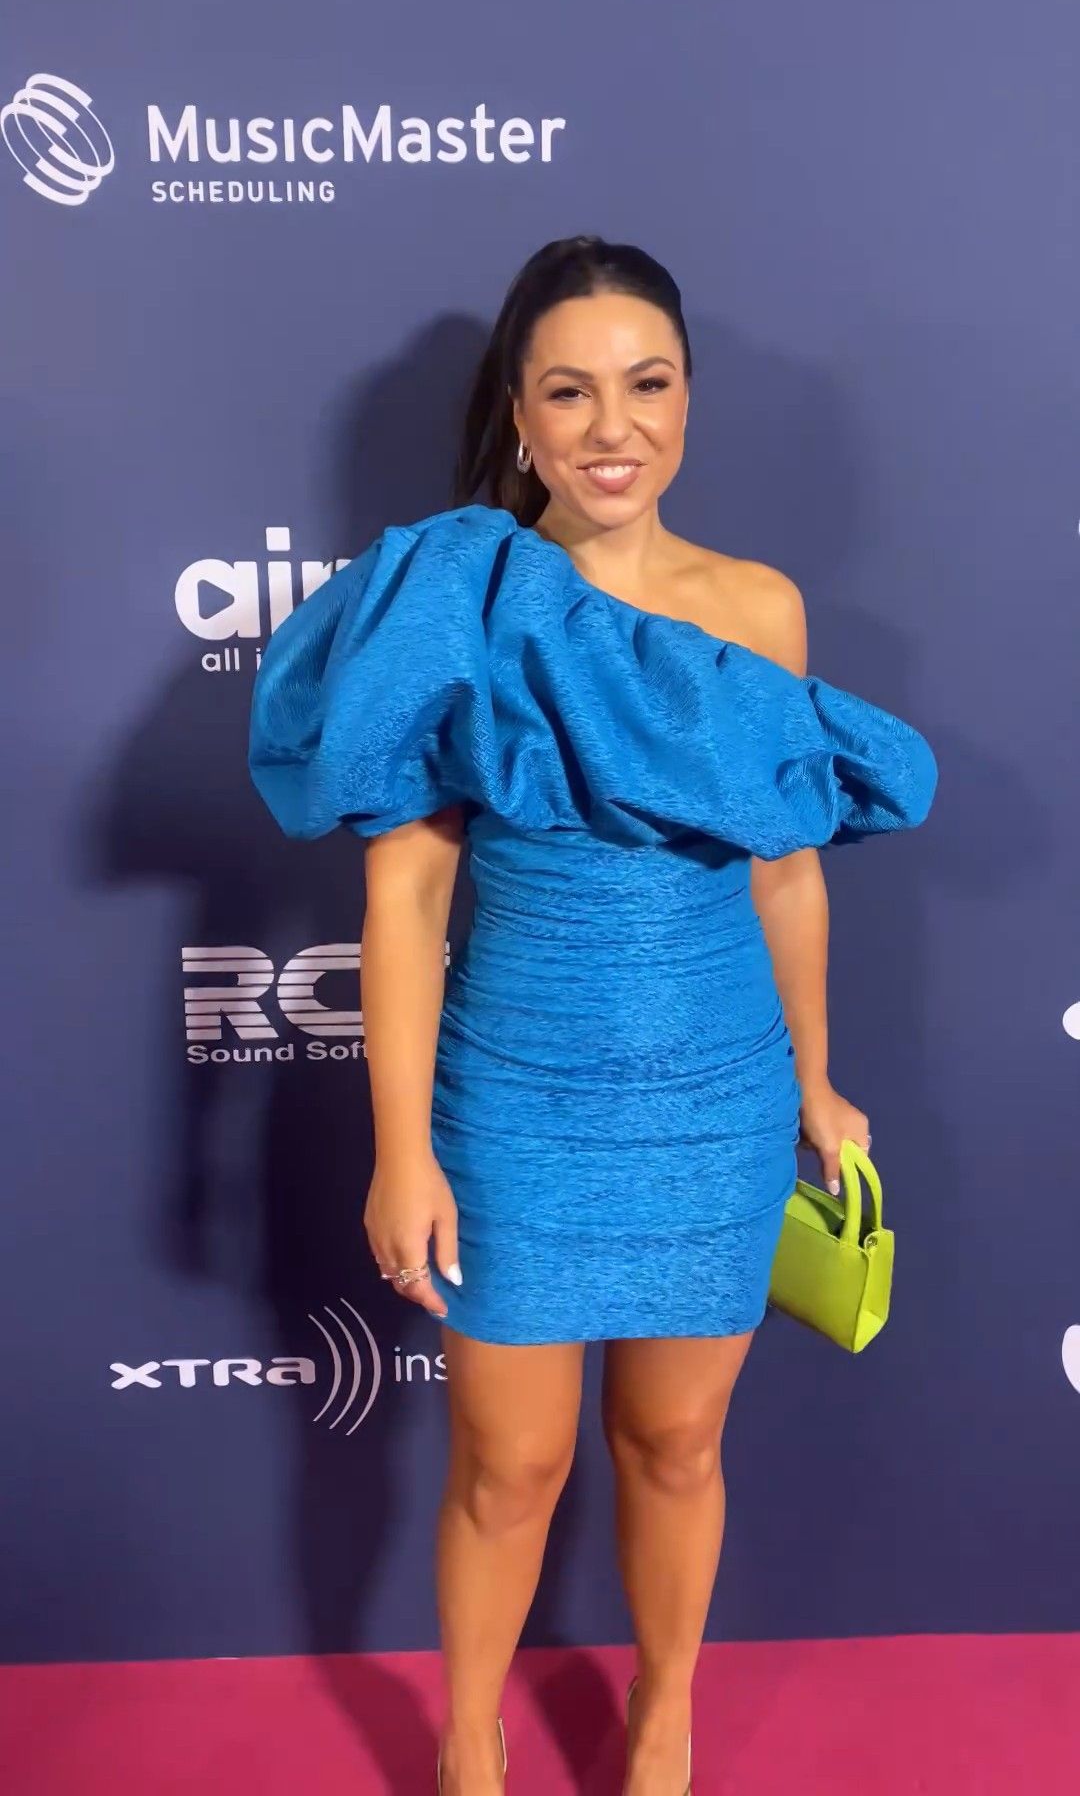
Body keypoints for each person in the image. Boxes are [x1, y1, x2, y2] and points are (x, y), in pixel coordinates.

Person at [248, 235, 938, 1796]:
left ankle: (663, 1716)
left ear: (690, 400)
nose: (612, 427)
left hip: (719, 1098)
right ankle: (471, 1741)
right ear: (519, 412)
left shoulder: (758, 608)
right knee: (510, 1464)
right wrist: (403, 1150)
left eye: (647, 385)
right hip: (515, 1102)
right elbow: (406, 904)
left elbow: (786, 873)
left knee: (677, 1447)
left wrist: (816, 1080)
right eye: (569, 392)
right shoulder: (452, 602)